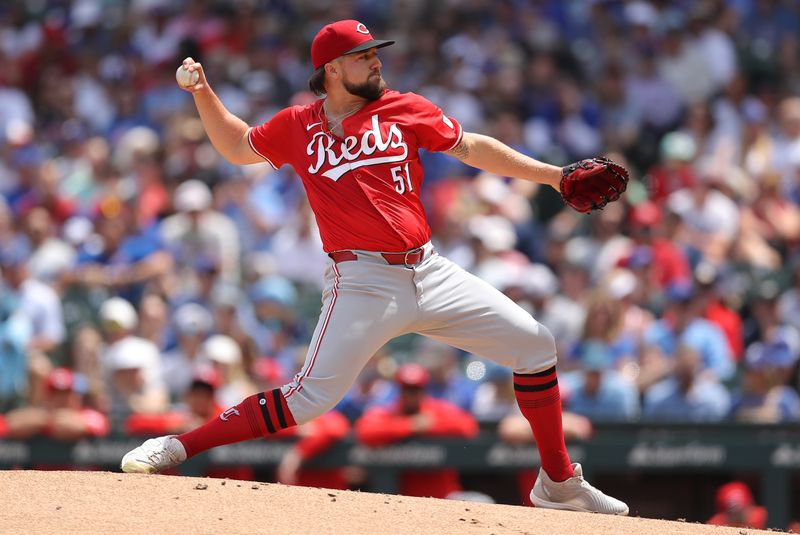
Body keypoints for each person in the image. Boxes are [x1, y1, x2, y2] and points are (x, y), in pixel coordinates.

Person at [121, 19, 628, 515]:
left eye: (374, 52)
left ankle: (559, 482)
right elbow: (235, 145)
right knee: (308, 400)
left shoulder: (403, 107)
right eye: (364, 55)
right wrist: (203, 92)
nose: (376, 60)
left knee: (536, 346)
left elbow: (470, 146)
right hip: (361, 281)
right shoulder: (298, 124)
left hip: (429, 270)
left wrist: (553, 176)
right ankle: (179, 446)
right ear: (333, 69)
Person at [355, 363, 478, 498]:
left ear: (423, 390)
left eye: (415, 389)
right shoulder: (391, 412)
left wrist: (432, 426)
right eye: (407, 389)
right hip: (400, 498)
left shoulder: (437, 409)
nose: (411, 394)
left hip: (441, 496)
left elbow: (469, 427)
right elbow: (365, 430)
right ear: (400, 390)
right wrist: (410, 426)